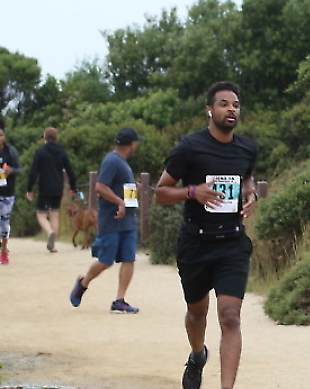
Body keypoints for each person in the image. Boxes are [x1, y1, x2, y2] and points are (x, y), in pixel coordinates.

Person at [155, 81, 259, 389]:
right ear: (209, 110)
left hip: (232, 243)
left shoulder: (247, 148)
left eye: (235, 105)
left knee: (230, 316)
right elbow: (160, 192)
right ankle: (198, 354)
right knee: (196, 312)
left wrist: (251, 193)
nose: (231, 109)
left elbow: (247, 177)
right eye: (224, 104)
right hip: (195, 243)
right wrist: (192, 191)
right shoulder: (189, 147)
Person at [69, 127, 143, 313]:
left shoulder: (123, 163)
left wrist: (134, 189)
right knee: (106, 260)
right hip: (111, 218)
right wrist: (119, 202)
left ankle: (119, 300)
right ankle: (83, 283)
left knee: (129, 258)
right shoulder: (111, 161)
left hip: (128, 219)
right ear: (131, 144)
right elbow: (100, 187)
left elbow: (119, 187)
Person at [26, 127, 77, 253]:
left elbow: (33, 172)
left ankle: (49, 232)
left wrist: (29, 189)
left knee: (41, 214)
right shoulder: (62, 152)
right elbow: (70, 171)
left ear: (44, 137)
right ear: (56, 138)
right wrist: (73, 188)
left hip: (44, 187)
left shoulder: (40, 152)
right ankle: (53, 245)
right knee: (54, 214)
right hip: (58, 187)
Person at [0, 120, 22, 265]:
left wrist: (11, 170)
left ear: (4, 136)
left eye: (1, 135)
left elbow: (20, 170)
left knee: (4, 223)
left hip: (7, 192)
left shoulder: (10, 151)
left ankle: (4, 250)